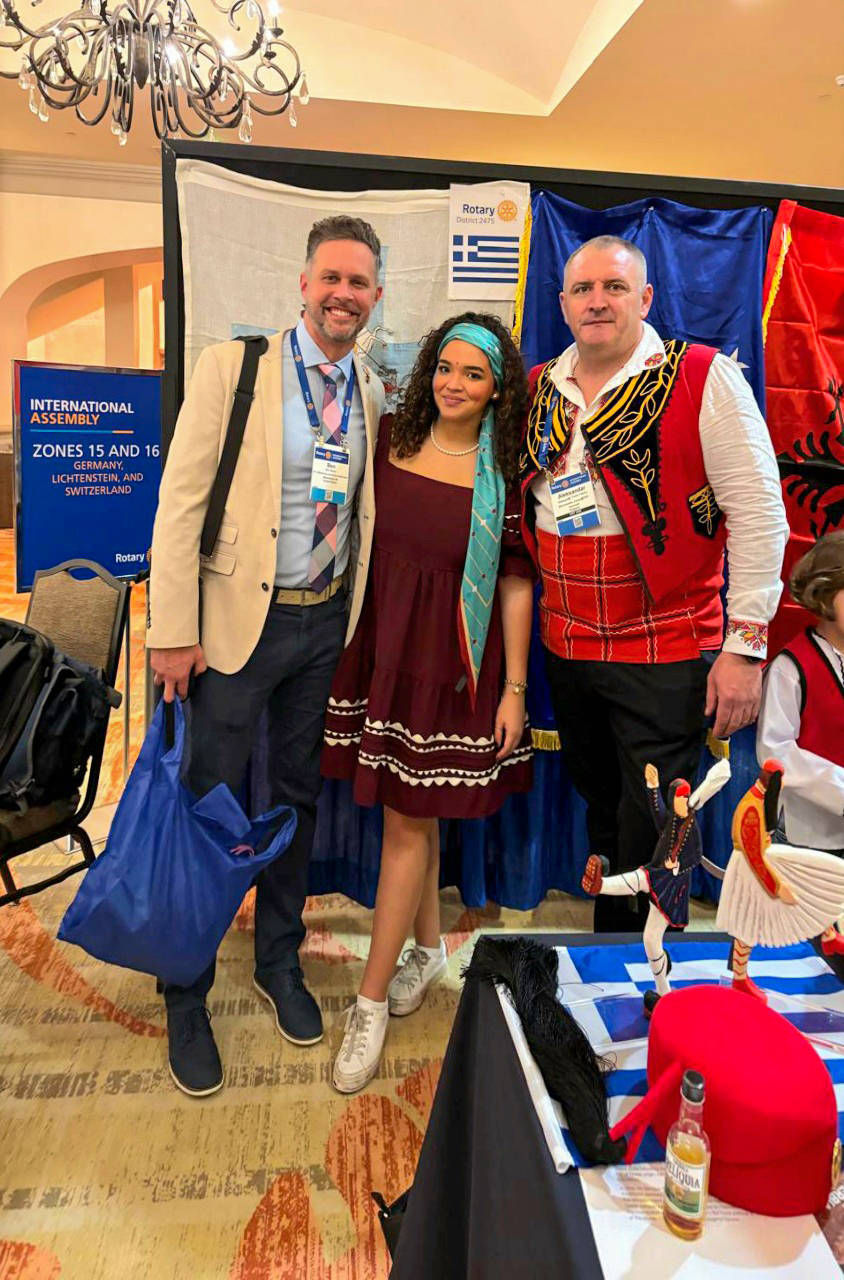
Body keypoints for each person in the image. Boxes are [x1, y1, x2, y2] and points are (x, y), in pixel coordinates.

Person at [147, 215, 385, 1097]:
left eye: (358, 282)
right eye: (331, 277)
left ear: (376, 296)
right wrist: (171, 629)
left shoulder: (369, 390)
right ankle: (185, 986)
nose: (342, 295)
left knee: (294, 799)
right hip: (231, 632)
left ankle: (277, 959)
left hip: (323, 628)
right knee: (205, 804)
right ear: (303, 282)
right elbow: (181, 502)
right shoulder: (233, 368)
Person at [519, 234, 788, 932]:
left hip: (665, 644)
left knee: (655, 822)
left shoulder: (702, 377)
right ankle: (614, 955)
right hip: (568, 643)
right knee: (603, 806)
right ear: (562, 303)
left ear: (644, 298)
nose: (597, 301)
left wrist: (745, 648)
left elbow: (760, 514)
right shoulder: (540, 385)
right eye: (583, 289)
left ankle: (637, 967)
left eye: (614, 287)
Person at [322, 313, 534, 1093]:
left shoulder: (504, 474)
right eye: (446, 367)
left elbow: (515, 582)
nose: (454, 383)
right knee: (412, 811)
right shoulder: (389, 438)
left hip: (453, 668)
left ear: (497, 390)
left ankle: (370, 1001)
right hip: (383, 650)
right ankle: (426, 950)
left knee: (409, 821)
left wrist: (513, 689)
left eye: (473, 374)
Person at [716, 760, 844, 1001]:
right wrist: (775, 886)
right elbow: (754, 856)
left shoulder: (762, 800)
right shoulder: (751, 808)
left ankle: (827, 935)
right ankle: (740, 978)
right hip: (751, 869)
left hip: (764, 858)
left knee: (807, 884)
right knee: (747, 923)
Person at [757, 532, 844, 858]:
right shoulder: (790, 668)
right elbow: (775, 751)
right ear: (823, 595)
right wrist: (838, 787)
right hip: (810, 834)